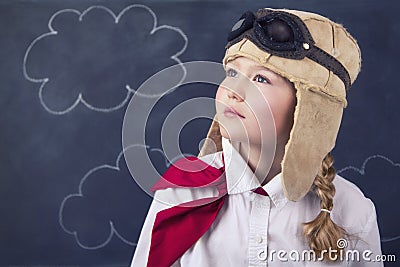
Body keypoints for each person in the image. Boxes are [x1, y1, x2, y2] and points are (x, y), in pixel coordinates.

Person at [130, 7, 383, 267]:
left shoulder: (352, 212)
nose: (234, 91)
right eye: (232, 73)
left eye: (261, 79)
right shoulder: (183, 193)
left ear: (310, 110)